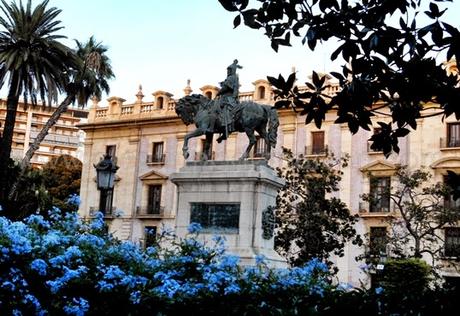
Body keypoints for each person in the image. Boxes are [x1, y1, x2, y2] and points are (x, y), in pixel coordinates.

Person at [216, 59, 242, 141]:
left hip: (228, 98)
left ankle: (227, 126)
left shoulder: (231, 78)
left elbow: (226, 87)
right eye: (228, 70)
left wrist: (219, 92)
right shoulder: (234, 78)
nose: (228, 72)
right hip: (230, 97)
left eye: (229, 70)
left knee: (224, 110)